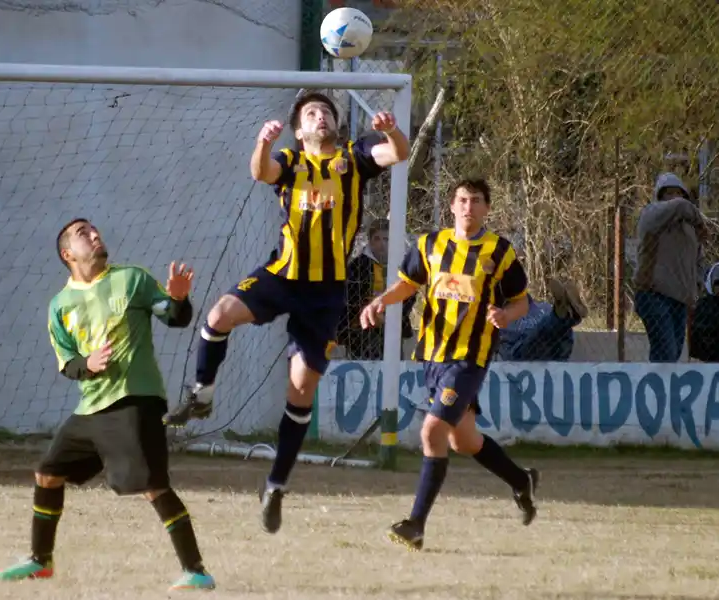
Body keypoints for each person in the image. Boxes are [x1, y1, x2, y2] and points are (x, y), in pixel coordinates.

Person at [164, 92, 410, 534]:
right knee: (219, 314)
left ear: (337, 123)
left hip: (326, 292)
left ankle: (276, 484)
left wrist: (390, 128)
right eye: (312, 114)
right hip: (283, 273)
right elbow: (261, 172)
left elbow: (398, 152)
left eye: (327, 112)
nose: (321, 117)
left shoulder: (355, 158)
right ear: (299, 129)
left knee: (301, 387)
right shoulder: (290, 161)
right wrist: (262, 142)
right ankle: (202, 393)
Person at [0, 218, 215, 591]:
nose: (95, 235)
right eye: (84, 234)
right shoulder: (59, 306)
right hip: (90, 408)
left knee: (152, 486)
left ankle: (197, 571)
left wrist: (179, 298)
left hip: (135, 399)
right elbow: (68, 364)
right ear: (68, 254)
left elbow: (176, 319)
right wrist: (89, 364)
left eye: (95, 230)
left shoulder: (132, 279)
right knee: (48, 473)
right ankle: (40, 560)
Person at [359, 178, 539, 551]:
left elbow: (523, 301)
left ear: (487, 208)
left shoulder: (500, 252)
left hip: (470, 358)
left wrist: (506, 315)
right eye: (462, 200)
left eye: (476, 201)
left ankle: (416, 525)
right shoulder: (430, 244)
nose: (468, 207)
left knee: (432, 431)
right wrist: (380, 302)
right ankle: (521, 480)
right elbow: (409, 284)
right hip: (433, 356)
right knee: (463, 440)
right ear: (451, 207)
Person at [633, 172, 706, 362]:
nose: (674, 198)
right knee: (665, 352)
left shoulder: (689, 230)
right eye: (668, 193)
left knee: (672, 356)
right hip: (654, 294)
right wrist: (697, 218)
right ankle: (655, 391)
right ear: (659, 196)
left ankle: (662, 391)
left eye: (678, 193)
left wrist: (696, 286)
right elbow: (679, 207)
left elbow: (698, 261)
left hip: (680, 300)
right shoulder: (651, 215)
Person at [337, 218, 416, 360]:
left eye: (386, 239)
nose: (382, 244)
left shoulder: (401, 264)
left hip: (393, 325)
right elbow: (349, 298)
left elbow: (410, 294)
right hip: (362, 328)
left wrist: (390, 315)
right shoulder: (358, 265)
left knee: (394, 363)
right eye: (377, 239)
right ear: (370, 241)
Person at [496, 279, 588, 362]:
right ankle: (568, 316)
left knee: (552, 326)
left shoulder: (543, 308)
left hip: (545, 356)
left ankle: (566, 315)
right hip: (526, 359)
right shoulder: (544, 308)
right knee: (554, 324)